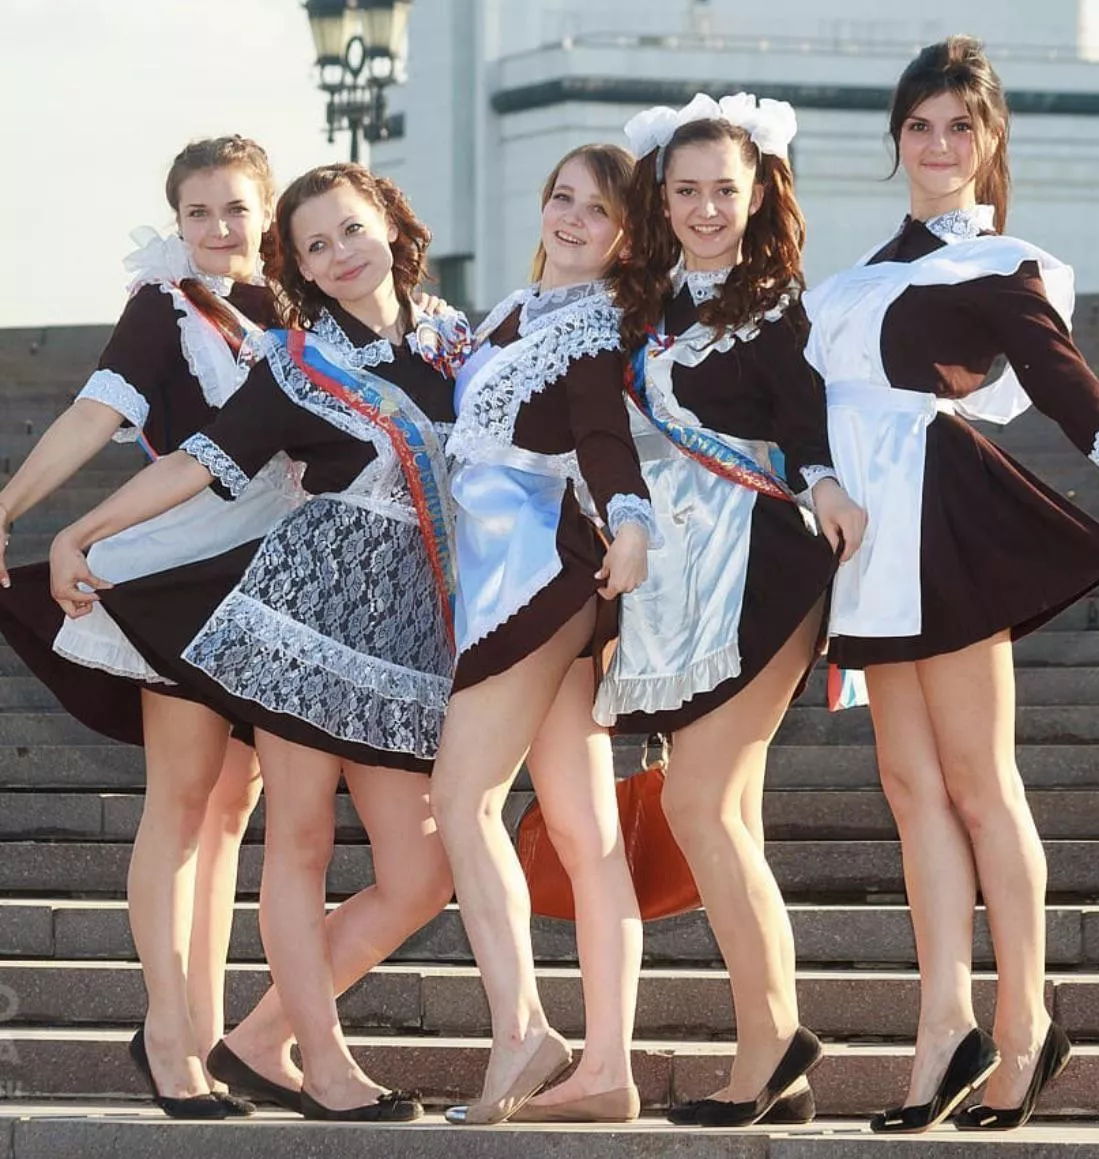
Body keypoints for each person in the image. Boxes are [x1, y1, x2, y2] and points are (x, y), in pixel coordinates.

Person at [48, 163, 471, 1120]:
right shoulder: (297, 366)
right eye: (316, 245)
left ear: (391, 225)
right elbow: (200, 461)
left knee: (421, 874)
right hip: (299, 627)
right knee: (301, 841)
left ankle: (254, 1039)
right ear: (302, 271)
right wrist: (82, 531)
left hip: (406, 647)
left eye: (352, 229)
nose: (340, 253)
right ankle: (325, 1064)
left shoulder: (457, 347)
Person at [802, 36, 1099, 1134]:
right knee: (909, 786)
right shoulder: (861, 274)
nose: (938, 144)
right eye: (920, 126)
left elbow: (1059, 371)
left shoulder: (999, 264)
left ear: (990, 138)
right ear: (897, 137)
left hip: (942, 513)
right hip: (866, 543)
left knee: (978, 780)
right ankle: (943, 1028)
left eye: (960, 126)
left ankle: (1022, 1023)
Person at [0, 136, 302, 1116]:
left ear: (267, 211)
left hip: (277, 575)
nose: (218, 228)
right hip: (179, 570)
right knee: (181, 800)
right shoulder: (164, 306)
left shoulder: (299, 305)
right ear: (175, 220)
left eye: (236, 208)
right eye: (197, 212)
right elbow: (93, 417)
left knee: (232, 809)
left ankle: (202, 1030)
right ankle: (170, 1033)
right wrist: (7, 508)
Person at [600, 93, 866, 1129]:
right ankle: (776, 1062)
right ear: (661, 200)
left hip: (763, 565)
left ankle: (768, 1043)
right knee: (731, 814)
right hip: (679, 584)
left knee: (698, 804)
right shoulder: (645, 308)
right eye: (687, 191)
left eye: (725, 189)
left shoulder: (781, 306)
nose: (706, 208)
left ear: (759, 195)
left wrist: (828, 485)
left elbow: (807, 425)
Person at [429, 144, 654, 1126]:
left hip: (537, 570)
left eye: (598, 210)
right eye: (563, 197)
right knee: (582, 828)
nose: (572, 218)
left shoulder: (595, 325)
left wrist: (631, 517)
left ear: (627, 237)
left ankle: (523, 1030)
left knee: (462, 796)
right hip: (503, 575)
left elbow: (602, 434)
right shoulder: (511, 313)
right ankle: (606, 1067)